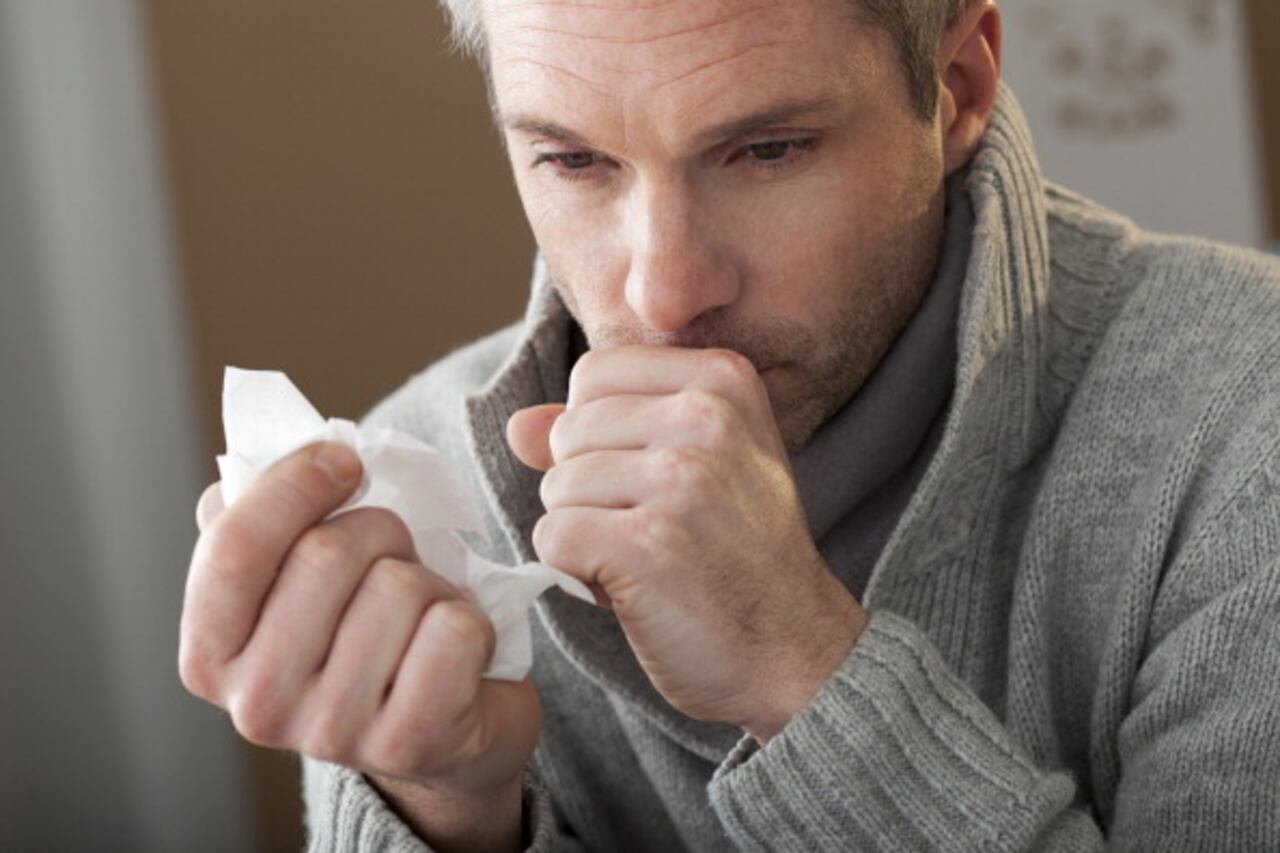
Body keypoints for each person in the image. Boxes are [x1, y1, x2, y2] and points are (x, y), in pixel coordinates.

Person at [178, 0, 1280, 849]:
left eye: (765, 152)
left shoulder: (1245, 428)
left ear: (955, 86)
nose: (663, 295)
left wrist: (799, 672)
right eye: (572, 160)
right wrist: (445, 808)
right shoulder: (415, 492)